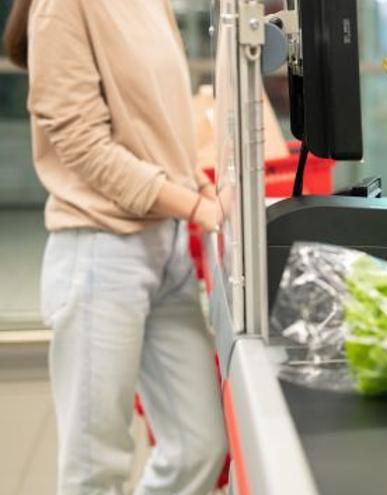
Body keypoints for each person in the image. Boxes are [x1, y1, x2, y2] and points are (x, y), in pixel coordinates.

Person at [4, 0, 228, 492]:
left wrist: (196, 182)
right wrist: (188, 205)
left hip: (165, 247)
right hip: (101, 251)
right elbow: (82, 143)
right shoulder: (61, 8)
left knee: (200, 446)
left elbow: (161, 118)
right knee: (95, 468)